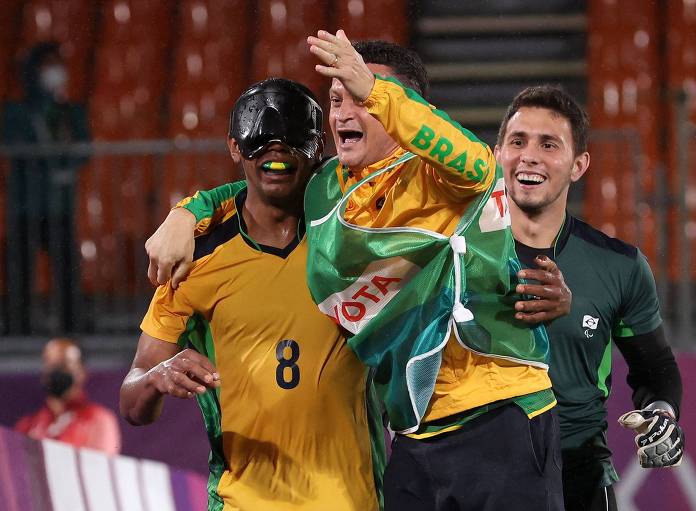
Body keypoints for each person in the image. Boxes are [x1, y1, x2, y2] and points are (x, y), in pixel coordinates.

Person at [147, 33, 571, 510]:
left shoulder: (442, 175)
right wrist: (187, 212)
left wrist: (374, 88)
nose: (346, 111)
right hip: (414, 431)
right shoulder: (327, 187)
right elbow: (262, 181)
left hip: (498, 414)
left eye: (363, 98)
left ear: (401, 108)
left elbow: (471, 160)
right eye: (336, 99)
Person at [120, 78, 386, 511]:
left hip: (351, 499)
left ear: (318, 147)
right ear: (233, 148)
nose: (275, 151)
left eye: (291, 140)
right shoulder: (194, 261)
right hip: (242, 501)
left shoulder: (358, 236)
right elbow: (133, 403)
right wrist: (156, 376)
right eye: (258, 140)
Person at [494, 85, 684, 510]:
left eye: (549, 145)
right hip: (477, 476)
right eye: (518, 141)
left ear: (579, 165)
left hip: (578, 478)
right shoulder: (456, 252)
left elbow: (656, 370)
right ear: (497, 154)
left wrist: (662, 415)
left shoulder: (619, 266)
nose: (529, 156)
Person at [1, 41, 89, 334]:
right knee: (20, 272)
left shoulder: (69, 111)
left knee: (66, 270)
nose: (56, 71)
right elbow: (15, 145)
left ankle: (70, 326)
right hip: (26, 205)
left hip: (58, 206)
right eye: (48, 65)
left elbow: (83, 148)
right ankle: (19, 327)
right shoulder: (16, 112)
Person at [15, 337, 121, 454]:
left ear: (81, 372)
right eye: (50, 364)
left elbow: (99, 466)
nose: (55, 371)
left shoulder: (99, 420)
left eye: (63, 365)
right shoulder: (28, 426)